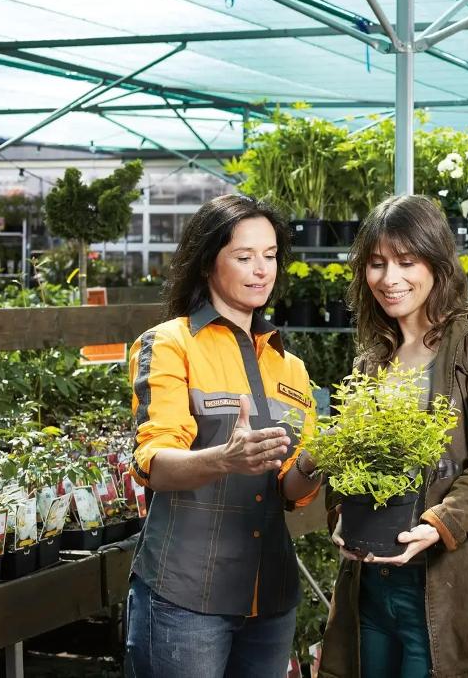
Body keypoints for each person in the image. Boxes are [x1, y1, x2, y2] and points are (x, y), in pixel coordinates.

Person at [320, 194, 468, 678]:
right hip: (373, 580)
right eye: (377, 263)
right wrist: (341, 513)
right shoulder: (373, 358)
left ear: (437, 263)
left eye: (407, 262)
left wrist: (438, 524)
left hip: (446, 578)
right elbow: (352, 462)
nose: (390, 279)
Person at [125, 194, 324, 677]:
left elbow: (290, 491)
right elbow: (152, 462)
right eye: (243, 256)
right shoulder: (171, 344)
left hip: (270, 598)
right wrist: (224, 458)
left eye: (270, 255)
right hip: (186, 596)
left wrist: (318, 459)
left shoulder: (290, 367)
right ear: (207, 263)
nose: (262, 270)